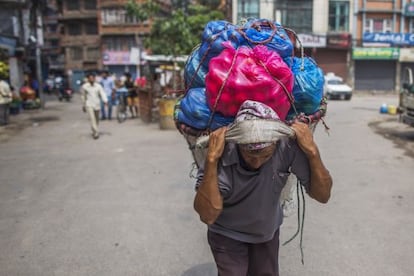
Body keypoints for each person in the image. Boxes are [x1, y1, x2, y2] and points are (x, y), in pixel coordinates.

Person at [193, 100, 333, 276]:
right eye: (250, 155)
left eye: (266, 155)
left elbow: (323, 195)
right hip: (226, 235)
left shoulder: (286, 146)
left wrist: (312, 151)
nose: (257, 162)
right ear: (238, 145)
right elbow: (207, 215)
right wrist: (212, 159)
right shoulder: (222, 153)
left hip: (266, 233)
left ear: (275, 143)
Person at [80, 73, 108, 139]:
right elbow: (83, 96)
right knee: (92, 119)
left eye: (93, 78)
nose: (91, 79)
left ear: (94, 78)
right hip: (89, 104)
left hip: (97, 104)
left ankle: (94, 130)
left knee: (96, 119)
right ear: (88, 79)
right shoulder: (85, 86)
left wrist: (105, 101)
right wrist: (83, 105)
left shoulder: (98, 86)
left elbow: (102, 93)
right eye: (90, 78)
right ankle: (96, 133)